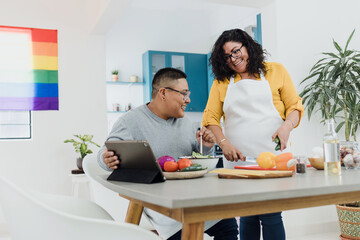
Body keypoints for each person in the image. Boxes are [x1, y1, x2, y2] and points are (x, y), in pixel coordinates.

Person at [97, 67, 239, 240]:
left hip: (196, 197)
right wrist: (106, 158)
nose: (188, 99)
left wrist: (206, 146)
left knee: (229, 227)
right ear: (163, 93)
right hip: (163, 206)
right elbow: (106, 152)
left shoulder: (186, 122)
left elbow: (195, 158)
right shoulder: (131, 121)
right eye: (184, 94)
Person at [202, 29, 304, 240]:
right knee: (247, 215)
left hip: (273, 158)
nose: (233, 59)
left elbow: (295, 106)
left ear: (248, 46)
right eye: (227, 56)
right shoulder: (222, 82)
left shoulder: (276, 71)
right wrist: (224, 144)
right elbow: (210, 118)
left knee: (271, 214)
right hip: (237, 161)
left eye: (236, 51)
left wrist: (286, 127)